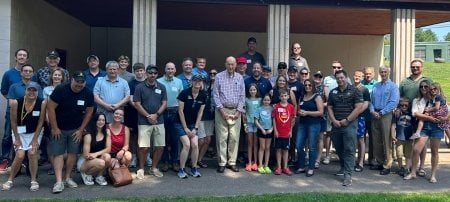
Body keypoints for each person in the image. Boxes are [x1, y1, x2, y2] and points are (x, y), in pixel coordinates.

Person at [47, 71, 94, 193]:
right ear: (71, 80)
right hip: (59, 128)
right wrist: (55, 128)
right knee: (58, 154)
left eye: (82, 82)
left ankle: (67, 178)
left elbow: (89, 111)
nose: (79, 84)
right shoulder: (61, 89)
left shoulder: (88, 93)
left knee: (73, 153)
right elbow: (50, 108)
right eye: (77, 81)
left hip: (75, 130)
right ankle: (58, 181)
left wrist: (80, 129)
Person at [1, 82, 46, 191]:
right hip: (19, 132)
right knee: (20, 155)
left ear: (37, 92)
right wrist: (16, 139)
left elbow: (41, 122)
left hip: (35, 132)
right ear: (25, 90)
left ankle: (34, 180)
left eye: (34, 90)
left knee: (32, 152)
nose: (31, 92)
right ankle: (10, 180)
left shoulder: (42, 102)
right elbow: (13, 121)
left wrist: (35, 139)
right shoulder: (16, 102)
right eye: (29, 90)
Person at [327, 70, 363, 186]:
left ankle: (348, 175)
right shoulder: (333, 92)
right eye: (338, 78)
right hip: (336, 125)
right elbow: (330, 108)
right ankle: (343, 167)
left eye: (342, 77)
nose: (340, 80)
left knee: (349, 149)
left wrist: (347, 120)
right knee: (339, 148)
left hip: (349, 125)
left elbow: (358, 107)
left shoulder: (355, 91)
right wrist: (334, 120)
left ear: (346, 78)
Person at [398, 59, 432, 178]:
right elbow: (399, 97)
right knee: (409, 142)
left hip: (422, 117)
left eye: (417, 67)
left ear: (422, 67)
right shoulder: (404, 82)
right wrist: (398, 108)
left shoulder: (427, 81)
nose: (415, 68)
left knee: (421, 143)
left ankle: (421, 167)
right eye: (413, 67)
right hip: (407, 117)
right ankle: (410, 166)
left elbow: (434, 96)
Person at [404, 80, 443, 183]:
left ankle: (433, 175)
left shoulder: (436, 98)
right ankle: (413, 173)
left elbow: (446, 110)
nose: (424, 88)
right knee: (416, 149)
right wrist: (429, 118)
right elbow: (415, 113)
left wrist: (444, 118)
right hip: (424, 127)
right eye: (422, 87)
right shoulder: (417, 100)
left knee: (434, 151)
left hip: (436, 127)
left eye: (426, 86)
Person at [134, 65, 167, 179]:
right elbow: (137, 104)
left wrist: (156, 115)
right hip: (144, 121)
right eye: (150, 73)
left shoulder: (161, 87)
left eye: (154, 73)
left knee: (160, 146)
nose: (152, 75)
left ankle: (153, 168)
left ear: (157, 74)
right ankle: (141, 169)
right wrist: (148, 116)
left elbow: (164, 103)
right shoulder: (139, 87)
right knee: (144, 147)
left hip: (159, 120)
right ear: (146, 74)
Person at [0, 49, 31, 172]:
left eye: (24, 55)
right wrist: (12, 101)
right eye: (20, 55)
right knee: (8, 135)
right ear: (15, 57)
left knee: (24, 134)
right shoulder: (9, 74)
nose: (22, 57)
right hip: (12, 110)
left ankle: (21, 159)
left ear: (27, 59)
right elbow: (3, 90)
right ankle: (4, 159)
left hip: (27, 111)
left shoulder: (31, 73)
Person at [213, 56, 245, 173]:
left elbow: (242, 96)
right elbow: (215, 95)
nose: (231, 66)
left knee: (234, 138)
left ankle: (232, 162)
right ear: (225, 64)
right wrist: (222, 111)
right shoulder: (219, 77)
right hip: (222, 110)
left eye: (233, 64)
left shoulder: (240, 77)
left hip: (235, 111)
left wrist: (238, 111)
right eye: (228, 64)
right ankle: (222, 162)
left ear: (235, 65)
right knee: (222, 138)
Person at [369, 66, 399, 175]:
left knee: (387, 140)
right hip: (374, 114)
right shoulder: (376, 86)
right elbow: (370, 100)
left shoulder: (393, 87)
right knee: (376, 139)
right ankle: (380, 162)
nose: (383, 73)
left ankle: (388, 164)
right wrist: (372, 111)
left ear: (389, 72)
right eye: (381, 72)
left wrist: (381, 112)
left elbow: (393, 102)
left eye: (385, 72)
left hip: (386, 114)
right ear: (379, 73)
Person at [175, 74, 206, 178]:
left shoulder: (203, 94)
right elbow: (180, 111)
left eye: (200, 81)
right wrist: (185, 128)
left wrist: (195, 128)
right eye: (195, 80)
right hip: (179, 123)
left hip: (193, 124)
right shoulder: (184, 93)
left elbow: (200, 113)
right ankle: (182, 169)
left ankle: (194, 168)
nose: (198, 83)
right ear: (192, 82)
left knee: (195, 144)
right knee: (187, 144)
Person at [322, 60, 351, 165]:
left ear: (341, 68)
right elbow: (327, 94)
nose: (336, 69)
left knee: (344, 134)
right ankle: (327, 156)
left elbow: (350, 93)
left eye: (338, 67)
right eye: (334, 67)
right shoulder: (327, 79)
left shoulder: (347, 78)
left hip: (343, 112)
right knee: (329, 133)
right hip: (331, 109)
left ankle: (342, 158)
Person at [157, 62, 184, 172]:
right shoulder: (158, 81)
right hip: (163, 112)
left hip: (175, 112)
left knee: (174, 139)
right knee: (163, 139)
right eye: (168, 69)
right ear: (165, 70)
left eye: (172, 69)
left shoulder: (179, 82)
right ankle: (165, 162)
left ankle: (174, 161)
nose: (170, 71)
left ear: (175, 70)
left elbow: (182, 98)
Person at [295, 79, 324, 177]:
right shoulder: (302, 97)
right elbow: (299, 109)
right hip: (302, 124)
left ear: (313, 86)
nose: (307, 86)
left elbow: (320, 112)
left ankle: (311, 168)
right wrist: (299, 112)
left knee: (312, 147)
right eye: (306, 85)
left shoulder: (317, 97)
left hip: (314, 124)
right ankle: (302, 166)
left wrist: (307, 113)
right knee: (298, 145)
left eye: (309, 85)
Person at [42, 68, 65, 172]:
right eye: (55, 75)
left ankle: (64, 166)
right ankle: (53, 167)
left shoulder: (66, 88)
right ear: (52, 77)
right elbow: (46, 106)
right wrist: (48, 120)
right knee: (52, 144)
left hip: (63, 119)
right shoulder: (46, 90)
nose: (57, 77)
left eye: (59, 75)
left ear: (62, 77)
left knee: (64, 144)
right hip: (51, 119)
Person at [77, 113, 111, 186]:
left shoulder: (106, 132)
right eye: (98, 120)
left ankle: (99, 176)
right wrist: (96, 156)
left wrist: (96, 154)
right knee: (101, 163)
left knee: (107, 157)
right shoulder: (88, 134)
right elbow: (86, 155)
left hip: (96, 158)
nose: (101, 122)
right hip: (84, 161)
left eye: (103, 120)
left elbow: (108, 149)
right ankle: (85, 174)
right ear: (94, 121)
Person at [125, 63, 147, 168]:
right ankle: (133, 156)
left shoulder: (148, 83)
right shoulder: (131, 83)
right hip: (133, 113)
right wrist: (139, 108)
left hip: (145, 114)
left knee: (145, 136)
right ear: (134, 72)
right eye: (137, 71)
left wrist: (144, 110)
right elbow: (130, 98)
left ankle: (146, 156)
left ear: (144, 71)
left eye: (141, 70)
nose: (139, 72)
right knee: (133, 137)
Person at [272, 89, 295, 176]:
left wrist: (291, 131)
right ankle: (279, 167)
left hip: (287, 133)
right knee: (278, 150)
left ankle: (285, 167)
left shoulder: (291, 107)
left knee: (285, 150)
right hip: (278, 132)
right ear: (279, 97)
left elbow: (292, 120)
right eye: (282, 96)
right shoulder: (276, 107)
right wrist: (275, 130)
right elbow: (274, 119)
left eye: (285, 96)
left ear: (288, 97)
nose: (283, 97)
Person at [197, 69, 217, 168]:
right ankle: (193, 159)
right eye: (211, 73)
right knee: (200, 140)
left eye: (214, 74)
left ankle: (199, 160)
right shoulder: (201, 87)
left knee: (208, 140)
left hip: (211, 116)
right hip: (200, 117)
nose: (212, 75)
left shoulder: (217, 87)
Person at [391, 97, 413, 177]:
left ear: (409, 106)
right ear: (399, 106)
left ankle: (407, 168)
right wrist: (393, 135)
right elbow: (393, 125)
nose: (403, 107)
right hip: (399, 137)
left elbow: (414, 125)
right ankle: (401, 167)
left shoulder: (411, 114)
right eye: (401, 105)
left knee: (408, 154)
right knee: (399, 154)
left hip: (409, 137)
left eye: (406, 105)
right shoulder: (397, 114)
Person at [353, 70, 370, 172]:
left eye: (360, 76)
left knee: (361, 140)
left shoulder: (364, 90)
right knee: (351, 140)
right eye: (356, 75)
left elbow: (366, 104)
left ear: (362, 77)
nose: (357, 77)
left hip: (360, 117)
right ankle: (352, 161)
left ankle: (360, 162)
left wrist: (356, 112)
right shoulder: (349, 88)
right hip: (350, 118)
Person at [243, 83, 261, 172]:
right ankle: (249, 162)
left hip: (257, 124)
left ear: (256, 90)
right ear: (248, 91)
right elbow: (244, 112)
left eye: (254, 90)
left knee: (256, 144)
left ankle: (256, 162)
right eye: (251, 90)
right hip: (249, 123)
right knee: (250, 143)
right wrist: (244, 124)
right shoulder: (246, 100)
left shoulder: (260, 100)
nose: (252, 91)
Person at [313, 71, 330, 169]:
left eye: (320, 76)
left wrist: (320, 105)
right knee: (311, 137)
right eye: (316, 76)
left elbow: (329, 102)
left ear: (322, 78)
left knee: (320, 138)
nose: (318, 78)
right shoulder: (310, 86)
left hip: (322, 116)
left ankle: (318, 159)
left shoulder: (325, 88)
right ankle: (310, 156)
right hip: (311, 116)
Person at [361, 66, 377, 166]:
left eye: (369, 73)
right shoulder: (360, 84)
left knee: (372, 139)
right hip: (362, 115)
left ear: (373, 74)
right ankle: (361, 159)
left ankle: (371, 158)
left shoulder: (377, 85)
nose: (368, 75)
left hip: (372, 116)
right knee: (361, 138)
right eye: (366, 73)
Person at [255, 94, 273, 174]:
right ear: (263, 100)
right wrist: (262, 129)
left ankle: (266, 165)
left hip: (269, 130)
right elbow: (256, 121)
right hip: (261, 130)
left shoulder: (272, 109)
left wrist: (271, 129)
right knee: (262, 147)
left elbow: (274, 121)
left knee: (267, 148)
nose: (266, 101)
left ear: (270, 101)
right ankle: (260, 165)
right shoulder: (259, 109)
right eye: (265, 100)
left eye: (268, 100)